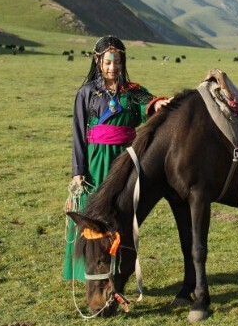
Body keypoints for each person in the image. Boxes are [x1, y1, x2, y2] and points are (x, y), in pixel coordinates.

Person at [63, 35, 170, 281]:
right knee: (92, 215)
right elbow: (79, 133)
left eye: (117, 62)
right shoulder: (87, 93)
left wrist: (160, 103)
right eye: (108, 62)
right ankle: (85, 271)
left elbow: (149, 104)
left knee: (121, 214)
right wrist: (78, 171)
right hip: (95, 160)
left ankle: (119, 269)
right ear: (98, 62)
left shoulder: (131, 92)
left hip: (124, 161)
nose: (113, 68)